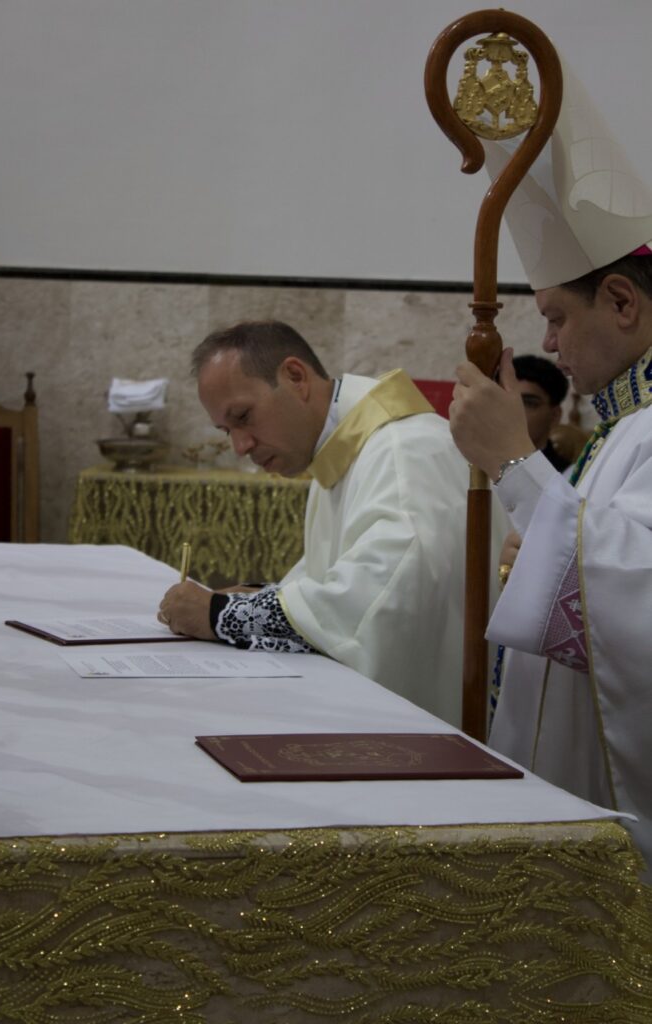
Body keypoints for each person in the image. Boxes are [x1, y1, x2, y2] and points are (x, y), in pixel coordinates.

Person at [449, 63, 652, 870]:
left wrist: (515, 465)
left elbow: (639, 595)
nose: (554, 344)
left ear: (624, 304)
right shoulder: (620, 429)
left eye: (558, 318)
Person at [158, 319, 476, 725]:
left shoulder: (403, 452)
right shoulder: (343, 452)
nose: (240, 446)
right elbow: (332, 583)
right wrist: (251, 598)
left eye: (243, 417)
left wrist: (223, 615)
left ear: (295, 377)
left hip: (427, 730)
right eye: (226, 431)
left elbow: (380, 604)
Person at [512, 354, 570, 471]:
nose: (513, 411)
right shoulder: (472, 465)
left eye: (528, 403)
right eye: (504, 401)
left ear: (554, 416)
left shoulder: (568, 478)